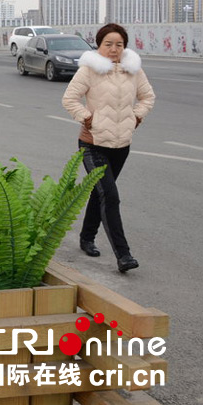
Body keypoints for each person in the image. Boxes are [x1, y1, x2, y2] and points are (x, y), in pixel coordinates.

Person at [62, 23, 155, 273]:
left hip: (122, 145)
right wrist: (87, 119)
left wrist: (136, 116)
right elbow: (69, 99)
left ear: (125, 46)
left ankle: (86, 237)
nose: (114, 49)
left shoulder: (133, 70)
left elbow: (148, 97)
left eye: (119, 44)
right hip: (93, 144)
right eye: (108, 44)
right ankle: (124, 255)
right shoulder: (89, 70)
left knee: (101, 192)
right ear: (99, 45)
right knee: (111, 196)